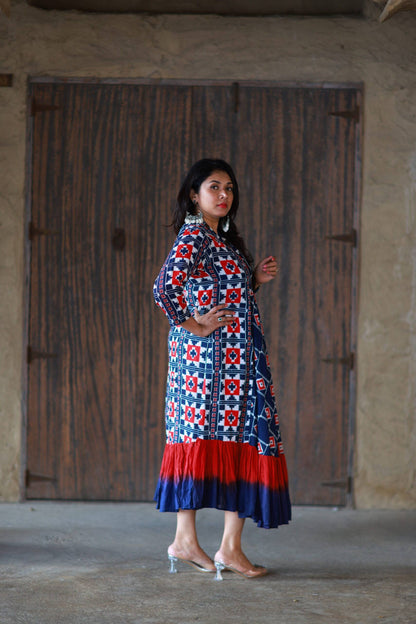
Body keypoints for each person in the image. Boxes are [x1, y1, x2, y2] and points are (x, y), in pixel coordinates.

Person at [153, 158, 291, 580]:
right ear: (195, 195)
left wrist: (253, 281)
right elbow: (164, 289)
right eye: (214, 187)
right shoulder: (194, 235)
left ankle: (225, 547)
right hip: (206, 369)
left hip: (237, 365)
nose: (224, 195)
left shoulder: (220, 240)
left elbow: (218, 291)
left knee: (239, 443)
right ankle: (190, 541)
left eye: (229, 187)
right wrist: (195, 325)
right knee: (202, 442)